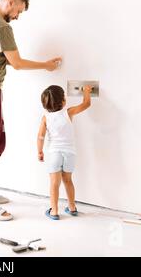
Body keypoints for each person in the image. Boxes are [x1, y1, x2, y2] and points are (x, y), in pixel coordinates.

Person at [0, 0, 62, 221]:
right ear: (10, 2)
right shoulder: (2, 26)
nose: (17, 16)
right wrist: (46, 66)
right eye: (18, 11)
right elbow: (16, 63)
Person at [37, 85, 92, 220]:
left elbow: (40, 136)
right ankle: (72, 207)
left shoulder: (45, 118)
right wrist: (86, 92)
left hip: (54, 153)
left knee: (54, 183)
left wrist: (40, 151)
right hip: (70, 154)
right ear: (63, 101)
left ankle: (54, 211)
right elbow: (86, 104)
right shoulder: (68, 112)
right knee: (68, 180)